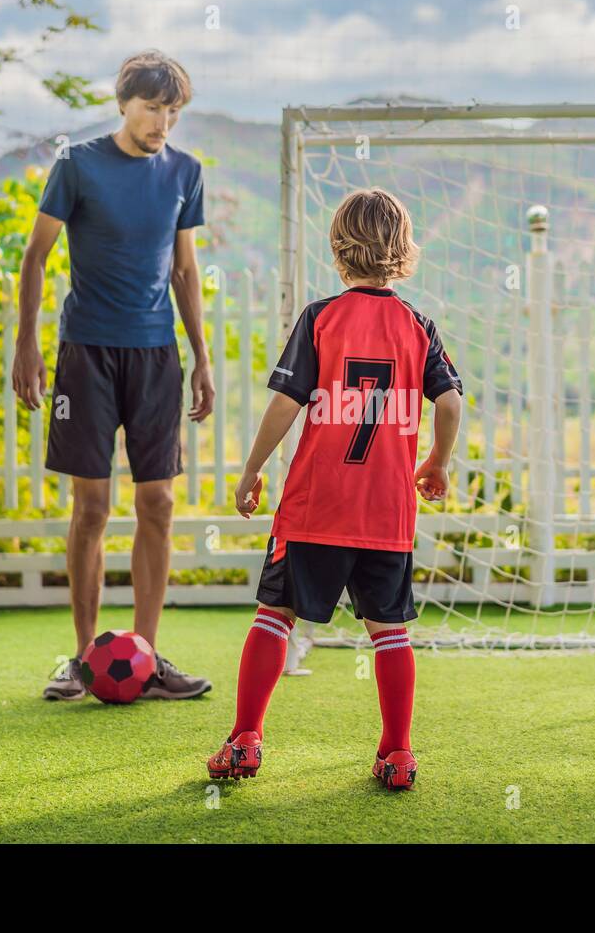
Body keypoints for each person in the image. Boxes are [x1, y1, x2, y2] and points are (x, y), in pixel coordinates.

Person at [206, 187, 463, 789]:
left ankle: (245, 739)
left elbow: (287, 402)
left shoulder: (321, 318)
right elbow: (449, 401)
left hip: (315, 508)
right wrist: (437, 463)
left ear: (337, 249)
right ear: (403, 250)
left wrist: (251, 470)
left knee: (275, 615)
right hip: (387, 514)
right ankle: (397, 753)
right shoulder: (418, 326)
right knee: (390, 631)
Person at [10, 50, 214, 701]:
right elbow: (35, 259)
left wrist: (202, 356)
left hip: (156, 355)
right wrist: (26, 345)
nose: (163, 121)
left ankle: (147, 659)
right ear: (123, 102)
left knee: (158, 503)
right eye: (153, 107)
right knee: (92, 508)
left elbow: (184, 271)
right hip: (86, 352)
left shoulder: (185, 171)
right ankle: (80, 658)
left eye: (174, 110)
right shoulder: (78, 164)